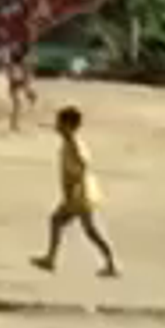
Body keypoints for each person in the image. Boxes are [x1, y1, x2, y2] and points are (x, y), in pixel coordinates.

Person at [36, 100, 117, 277]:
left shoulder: (74, 143)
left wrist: (74, 185)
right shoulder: (70, 141)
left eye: (60, 123)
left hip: (80, 193)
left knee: (81, 227)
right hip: (79, 192)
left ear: (68, 125)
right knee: (75, 226)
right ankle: (51, 259)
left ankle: (111, 264)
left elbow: (83, 163)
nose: (56, 126)